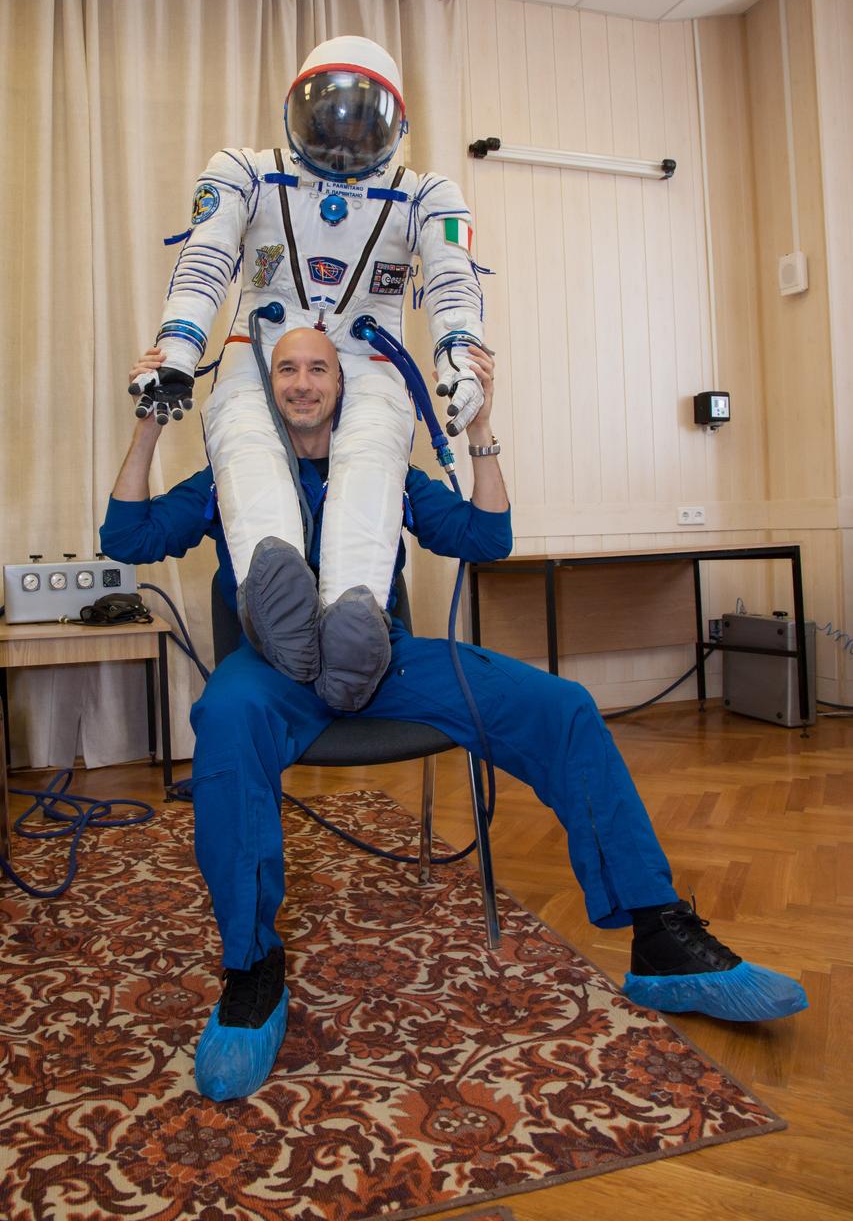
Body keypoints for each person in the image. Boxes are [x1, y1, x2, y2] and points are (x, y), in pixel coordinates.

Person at [102, 328, 808, 1103]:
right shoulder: (228, 474)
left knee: (564, 705)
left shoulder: (385, 470)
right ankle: (250, 968)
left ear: (343, 384)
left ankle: (659, 937)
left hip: (388, 660)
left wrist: (480, 428)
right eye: (287, 370)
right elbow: (127, 538)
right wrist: (150, 417)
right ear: (265, 385)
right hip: (273, 672)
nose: (303, 383)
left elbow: (487, 539)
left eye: (318, 369)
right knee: (226, 722)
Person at [131, 35, 488, 713]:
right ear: (298, 111)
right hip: (261, 341)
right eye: (331, 117)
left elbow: (451, 284)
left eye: (364, 121)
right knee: (245, 445)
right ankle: (280, 611)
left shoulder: (426, 193)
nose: (346, 138)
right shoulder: (243, 170)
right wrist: (177, 351)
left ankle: (355, 623)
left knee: (373, 460)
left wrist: (458, 362)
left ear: (396, 125)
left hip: (369, 348)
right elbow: (206, 261)